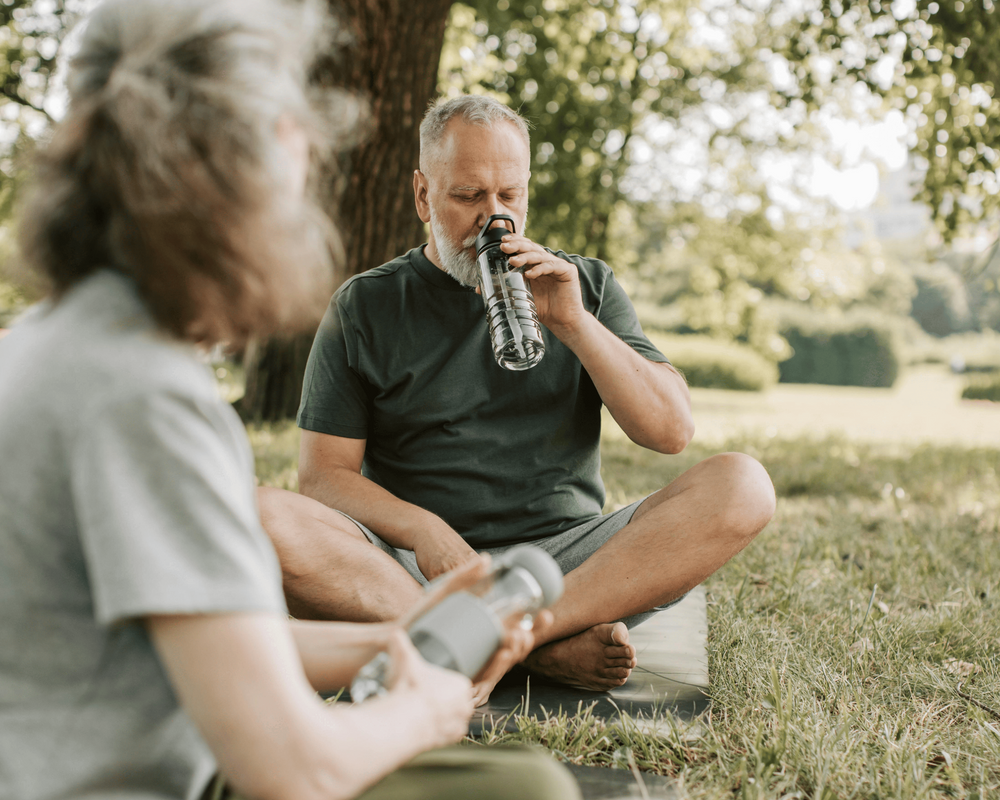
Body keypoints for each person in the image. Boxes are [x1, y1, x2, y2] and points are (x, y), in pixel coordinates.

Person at [0, 3, 580, 800]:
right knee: (524, 791)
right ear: (225, 182)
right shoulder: (143, 402)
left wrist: (400, 638)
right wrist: (425, 709)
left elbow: (217, 641)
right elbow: (293, 772)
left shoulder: (55, 342)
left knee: (510, 773)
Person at [260, 94, 777, 703]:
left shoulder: (585, 286)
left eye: (511, 195)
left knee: (744, 486)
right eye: (468, 197)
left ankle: (502, 640)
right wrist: (422, 529)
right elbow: (322, 478)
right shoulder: (365, 305)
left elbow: (670, 433)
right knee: (263, 518)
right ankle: (537, 651)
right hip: (414, 570)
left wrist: (574, 323)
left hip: (563, 570)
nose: (494, 218)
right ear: (424, 195)